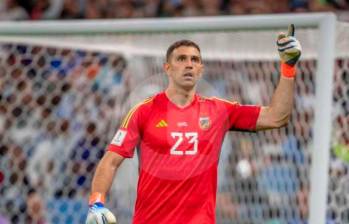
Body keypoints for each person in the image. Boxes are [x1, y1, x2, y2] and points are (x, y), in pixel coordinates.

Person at [86, 24, 302, 224]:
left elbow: (277, 117)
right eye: (181, 59)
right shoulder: (143, 111)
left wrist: (288, 68)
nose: (189, 64)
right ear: (167, 68)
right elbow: (111, 161)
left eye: (195, 60)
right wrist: (96, 203)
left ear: (201, 69)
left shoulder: (219, 110)